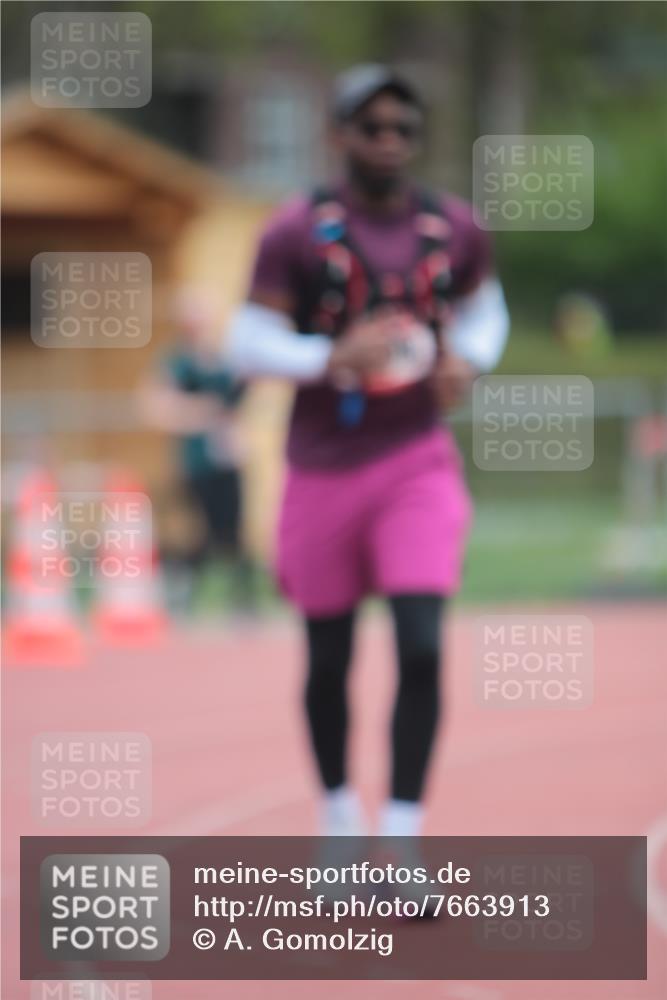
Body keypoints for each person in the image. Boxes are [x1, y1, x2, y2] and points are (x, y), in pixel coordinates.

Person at [225, 65, 510, 838]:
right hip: (321, 467)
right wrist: (328, 357)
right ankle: (341, 823)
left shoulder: (451, 227)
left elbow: (487, 312)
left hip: (414, 460)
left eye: (403, 130)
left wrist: (469, 361)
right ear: (339, 134)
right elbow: (245, 342)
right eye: (372, 127)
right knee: (328, 661)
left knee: (420, 647)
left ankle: (402, 836)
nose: (388, 142)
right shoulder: (293, 231)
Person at [141, 288, 254, 612]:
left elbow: (239, 400)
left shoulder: (225, 358)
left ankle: (243, 599)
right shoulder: (177, 361)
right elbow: (157, 405)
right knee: (204, 530)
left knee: (234, 529)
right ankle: (183, 586)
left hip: (228, 455)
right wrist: (200, 413)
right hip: (197, 458)